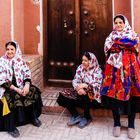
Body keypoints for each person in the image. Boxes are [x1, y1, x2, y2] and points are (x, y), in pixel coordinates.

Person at [101, 14, 140, 139]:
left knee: (132, 97)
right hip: (114, 73)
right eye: (116, 22)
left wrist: (118, 44)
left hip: (131, 71)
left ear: (125, 23)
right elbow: (108, 47)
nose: (118, 25)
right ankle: (116, 123)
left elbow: (134, 44)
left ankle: (131, 125)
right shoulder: (110, 37)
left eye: (120, 22)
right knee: (114, 97)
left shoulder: (133, 34)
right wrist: (124, 44)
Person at [0, 41, 43, 137]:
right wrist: (17, 89)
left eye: (12, 49)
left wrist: (26, 86)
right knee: (11, 97)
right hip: (7, 88)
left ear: (16, 50)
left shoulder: (20, 61)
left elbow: (26, 74)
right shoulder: (2, 62)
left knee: (33, 90)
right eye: (7, 49)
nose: (9, 51)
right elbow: (3, 81)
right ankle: (11, 127)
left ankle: (32, 117)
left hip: (20, 85)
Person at [57, 52, 103, 128]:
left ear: (91, 61)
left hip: (92, 99)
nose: (83, 62)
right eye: (82, 60)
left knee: (86, 94)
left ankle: (87, 117)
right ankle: (76, 115)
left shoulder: (97, 71)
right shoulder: (80, 68)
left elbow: (97, 86)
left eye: (85, 60)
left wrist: (85, 86)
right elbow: (75, 80)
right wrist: (78, 88)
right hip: (79, 93)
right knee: (62, 96)